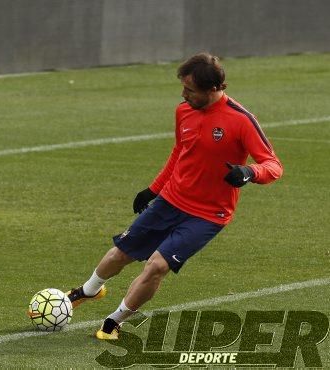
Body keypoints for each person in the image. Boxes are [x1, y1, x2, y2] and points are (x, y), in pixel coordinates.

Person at [65, 52, 283, 340]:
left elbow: (273, 166)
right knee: (121, 253)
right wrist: (153, 189)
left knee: (157, 266)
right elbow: (180, 153)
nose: (184, 95)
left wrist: (249, 173)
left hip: (208, 215)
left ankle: (114, 321)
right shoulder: (184, 111)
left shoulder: (241, 120)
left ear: (213, 89)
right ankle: (89, 290)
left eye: (190, 90)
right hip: (170, 199)